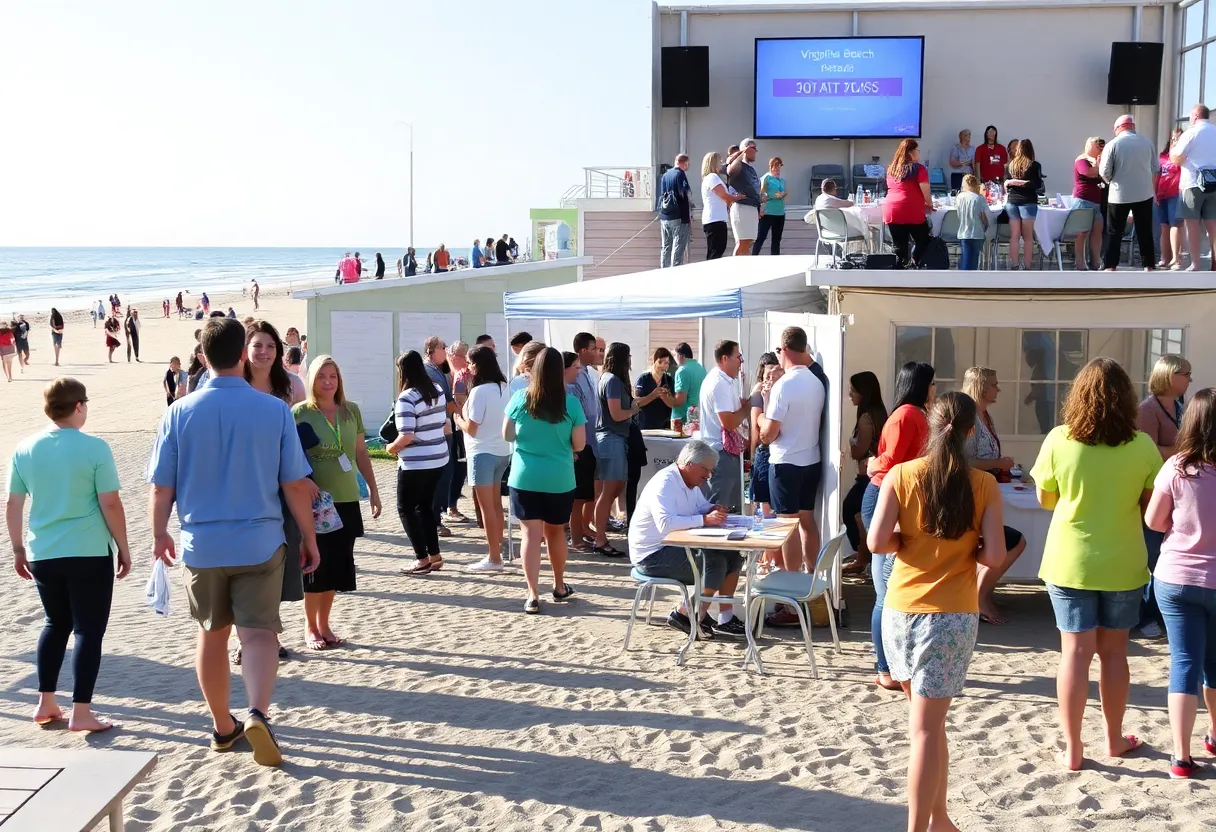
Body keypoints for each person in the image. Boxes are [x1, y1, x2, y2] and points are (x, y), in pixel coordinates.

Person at [148, 318, 319, 767]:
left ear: (203, 357)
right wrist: (308, 536)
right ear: (243, 354)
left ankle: (223, 726)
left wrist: (159, 532)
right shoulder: (273, 410)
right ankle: (258, 712)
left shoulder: (178, 412)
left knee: (211, 634)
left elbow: (161, 487)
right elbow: (295, 484)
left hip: (202, 543)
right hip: (260, 540)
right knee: (260, 633)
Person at [867, 392, 1005, 832]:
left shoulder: (902, 475)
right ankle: (919, 827)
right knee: (926, 730)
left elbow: (875, 541)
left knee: (928, 725)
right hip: (949, 615)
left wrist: (906, 543)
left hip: (901, 608)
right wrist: (971, 547)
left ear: (931, 425)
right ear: (970, 432)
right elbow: (995, 557)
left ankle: (940, 818)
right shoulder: (982, 484)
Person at [1029, 357, 1163, 771]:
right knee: (1114, 655)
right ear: (1127, 399)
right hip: (1122, 561)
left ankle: (1071, 748)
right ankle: (1113, 738)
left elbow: (1045, 499)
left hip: (1070, 560)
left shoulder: (1057, 439)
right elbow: (1150, 510)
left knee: (1074, 654)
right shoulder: (1142, 445)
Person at [7, 378, 131, 732]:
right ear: (78, 406)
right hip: (88, 551)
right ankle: (81, 711)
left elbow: (13, 504)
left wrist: (18, 548)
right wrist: (122, 547)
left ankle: (45, 702)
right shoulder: (95, 448)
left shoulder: (25, 448)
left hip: (43, 552)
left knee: (54, 624)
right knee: (88, 631)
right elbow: (110, 502)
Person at [1144, 387, 1216, 779]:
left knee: (1184, 664)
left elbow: (1154, 522)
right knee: (1215, 665)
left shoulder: (1176, 467)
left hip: (1177, 577)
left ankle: (1181, 756)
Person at [293, 356, 380, 650]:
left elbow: (361, 453)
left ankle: (325, 623)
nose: (328, 382)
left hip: (346, 497)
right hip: (314, 501)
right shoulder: (300, 412)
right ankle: (310, 626)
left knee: (338, 566)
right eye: (321, 377)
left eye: (333, 376)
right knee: (315, 564)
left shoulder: (350, 410)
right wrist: (303, 480)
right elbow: (289, 457)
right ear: (312, 380)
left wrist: (374, 489)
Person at [629, 440, 747, 639]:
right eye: (706, 470)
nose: (708, 476)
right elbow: (665, 524)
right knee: (715, 563)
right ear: (690, 464)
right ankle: (686, 612)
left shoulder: (690, 482)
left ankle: (724, 618)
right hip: (652, 555)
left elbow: (700, 507)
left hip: (673, 547)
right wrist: (704, 519)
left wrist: (711, 509)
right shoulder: (665, 482)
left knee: (733, 556)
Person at [865, 362, 935, 692]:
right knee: (884, 594)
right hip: (884, 494)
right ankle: (884, 667)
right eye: (932, 384)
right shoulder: (909, 414)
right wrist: (871, 465)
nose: (935, 389)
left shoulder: (912, 413)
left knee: (889, 590)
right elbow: (890, 461)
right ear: (922, 385)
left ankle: (890, 665)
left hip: (893, 494)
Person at [503, 347, 584, 613]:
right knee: (556, 533)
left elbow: (507, 435)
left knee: (530, 535)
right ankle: (559, 585)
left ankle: (532, 593)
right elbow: (580, 444)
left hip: (525, 475)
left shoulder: (519, 398)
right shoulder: (570, 402)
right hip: (559, 477)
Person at [960, 367, 1028, 623]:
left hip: (985, 492)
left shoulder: (983, 415)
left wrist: (1000, 466)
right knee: (1008, 541)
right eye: (994, 384)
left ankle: (981, 594)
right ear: (981, 386)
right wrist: (998, 462)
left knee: (1001, 542)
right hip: (971, 495)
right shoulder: (970, 418)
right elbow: (965, 461)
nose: (998, 389)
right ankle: (978, 596)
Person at [1137, 354, 1193, 639]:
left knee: (1165, 552)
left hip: (1176, 488)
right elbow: (1149, 450)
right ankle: (1147, 615)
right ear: (1169, 376)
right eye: (1185, 374)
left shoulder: (1180, 405)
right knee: (1154, 556)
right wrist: (1186, 451)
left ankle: (1159, 614)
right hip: (1154, 488)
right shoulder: (1148, 409)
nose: (1189, 380)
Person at [386, 350, 450, 576]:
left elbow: (406, 436)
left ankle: (421, 559)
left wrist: (390, 448)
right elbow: (444, 423)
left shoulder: (406, 398)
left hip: (416, 463)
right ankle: (435, 555)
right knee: (425, 507)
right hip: (439, 457)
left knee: (405, 508)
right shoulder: (438, 391)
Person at [454, 345, 511, 572]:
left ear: (477, 365)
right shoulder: (504, 387)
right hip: (501, 451)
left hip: (482, 452)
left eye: (469, 363)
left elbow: (472, 428)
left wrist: (457, 419)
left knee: (487, 507)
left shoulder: (480, 391)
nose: (468, 367)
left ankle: (494, 557)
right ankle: (497, 552)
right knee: (496, 505)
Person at [592, 342, 638, 557]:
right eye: (628, 356)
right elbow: (617, 414)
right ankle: (600, 539)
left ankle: (600, 536)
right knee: (608, 492)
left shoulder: (610, 379)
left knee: (612, 490)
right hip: (611, 438)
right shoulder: (611, 380)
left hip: (614, 438)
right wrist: (633, 409)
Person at [1100, 114, 1159, 271]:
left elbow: (1104, 171)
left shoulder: (1113, 144)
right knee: (1144, 230)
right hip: (1144, 193)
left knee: (1114, 231)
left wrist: (1111, 181)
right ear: (1132, 126)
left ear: (1119, 128)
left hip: (1119, 194)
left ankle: (1111, 265)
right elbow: (1155, 169)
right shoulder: (1148, 143)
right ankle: (1149, 265)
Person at [842, 371, 887, 577]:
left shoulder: (866, 418)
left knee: (851, 511)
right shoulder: (877, 413)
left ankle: (863, 557)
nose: (850, 394)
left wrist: (852, 446)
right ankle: (862, 556)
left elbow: (859, 450)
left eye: (853, 390)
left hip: (868, 476)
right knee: (859, 514)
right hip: (874, 475)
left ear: (864, 392)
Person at [698, 339, 750, 513]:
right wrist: (748, 407)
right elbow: (728, 422)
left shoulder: (723, 380)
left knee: (728, 508)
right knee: (719, 509)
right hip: (721, 452)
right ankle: (711, 540)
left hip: (723, 452)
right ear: (725, 359)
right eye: (738, 357)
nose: (741, 362)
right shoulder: (719, 383)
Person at [420, 336, 459, 537]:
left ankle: (436, 516)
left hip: (444, 428)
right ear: (431, 351)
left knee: (446, 474)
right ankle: (434, 520)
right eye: (443, 348)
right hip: (437, 430)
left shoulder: (438, 371)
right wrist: (463, 415)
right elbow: (447, 403)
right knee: (440, 475)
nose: (446, 351)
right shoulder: (429, 372)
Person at [1172, 104, 1216, 271]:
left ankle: (1195, 263)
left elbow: (1177, 158)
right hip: (1214, 183)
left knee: (1192, 224)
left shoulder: (1191, 133)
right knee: (1213, 226)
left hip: (1193, 183)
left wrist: (1172, 150)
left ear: (1196, 116)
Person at [568, 333, 601, 553]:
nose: (598, 352)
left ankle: (581, 532)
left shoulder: (589, 373)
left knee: (586, 493)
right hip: (580, 443)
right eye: (594, 348)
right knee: (578, 497)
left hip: (589, 442)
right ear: (582, 351)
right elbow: (575, 414)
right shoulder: (574, 379)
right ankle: (575, 539)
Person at [884, 139, 933, 268]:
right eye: (918, 151)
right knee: (923, 240)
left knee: (899, 245)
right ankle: (914, 263)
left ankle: (899, 272)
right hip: (911, 209)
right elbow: (925, 191)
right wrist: (930, 204)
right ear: (911, 153)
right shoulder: (919, 169)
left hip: (892, 210)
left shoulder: (891, 169)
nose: (919, 153)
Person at [749, 353, 783, 524]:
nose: (770, 378)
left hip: (773, 453)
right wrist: (753, 455)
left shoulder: (779, 393)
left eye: (774, 374)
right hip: (764, 452)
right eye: (767, 374)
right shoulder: (759, 393)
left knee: (770, 511)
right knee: (765, 510)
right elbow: (757, 428)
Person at [1005, 139, 1044, 270]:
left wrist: (1014, 182)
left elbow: (1007, 183)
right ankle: (1027, 265)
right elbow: (1037, 184)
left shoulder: (1010, 165)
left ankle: (1014, 264)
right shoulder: (1034, 165)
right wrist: (1024, 183)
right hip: (1028, 202)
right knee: (1028, 237)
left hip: (1012, 202)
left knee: (1014, 235)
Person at [1072, 138, 1107, 271]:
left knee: (1097, 232)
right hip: (1083, 200)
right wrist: (1101, 166)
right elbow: (1088, 172)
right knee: (1082, 232)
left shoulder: (1098, 163)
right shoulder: (1082, 160)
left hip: (1096, 202)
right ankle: (1080, 262)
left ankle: (1096, 261)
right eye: (1097, 146)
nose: (1100, 148)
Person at [727, 138, 763, 256]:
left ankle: (745, 269)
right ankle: (735, 269)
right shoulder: (738, 165)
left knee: (749, 242)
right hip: (742, 207)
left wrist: (759, 207)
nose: (756, 151)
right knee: (742, 242)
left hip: (752, 207)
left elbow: (755, 190)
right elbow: (730, 171)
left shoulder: (750, 169)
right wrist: (741, 153)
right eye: (753, 148)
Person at [700, 151, 738, 260]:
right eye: (719, 161)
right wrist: (737, 197)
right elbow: (724, 195)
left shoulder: (711, 178)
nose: (721, 164)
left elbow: (728, 163)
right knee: (716, 251)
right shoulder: (712, 177)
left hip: (715, 218)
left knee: (715, 250)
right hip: (715, 219)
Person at [1158, 128, 1187, 270]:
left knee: (1175, 225)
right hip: (1160, 194)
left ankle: (1176, 259)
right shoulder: (1162, 157)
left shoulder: (1183, 157)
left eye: (1178, 139)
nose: (1175, 142)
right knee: (1164, 226)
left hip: (1175, 194)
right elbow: (1156, 175)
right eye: (1173, 139)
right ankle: (1165, 258)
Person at [659, 153, 692, 268]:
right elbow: (685, 193)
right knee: (678, 245)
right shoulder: (680, 174)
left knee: (666, 246)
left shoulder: (665, 175)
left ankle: (664, 270)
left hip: (665, 215)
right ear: (685, 163)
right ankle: (675, 272)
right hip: (679, 215)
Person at [635, 347, 676, 430]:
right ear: (654, 361)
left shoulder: (669, 380)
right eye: (660, 362)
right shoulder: (643, 379)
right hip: (645, 426)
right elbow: (636, 402)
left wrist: (664, 396)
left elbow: (673, 404)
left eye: (666, 363)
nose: (663, 365)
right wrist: (653, 395)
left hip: (664, 426)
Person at [955, 174, 989, 271]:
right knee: (974, 259)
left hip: (963, 232)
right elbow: (983, 217)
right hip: (977, 232)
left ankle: (964, 280)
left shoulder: (959, 197)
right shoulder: (979, 198)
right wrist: (986, 225)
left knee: (965, 258)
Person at [753, 157, 787, 255]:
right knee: (761, 237)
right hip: (768, 212)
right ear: (771, 167)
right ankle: (753, 257)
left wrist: (783, 194)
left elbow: (784, 192)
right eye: (775, 167)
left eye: (779, 167)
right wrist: (772, 196)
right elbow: (761, 194)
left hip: (780, 213)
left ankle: (775, 260)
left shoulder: (782, 180)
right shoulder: (766, 178)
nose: (777, 169)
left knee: (776, 240)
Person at [671, 342, 706, 430]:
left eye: (675, 355)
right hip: (698, 416)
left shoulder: (682, 371)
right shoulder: (701, 368)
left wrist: (664, 397)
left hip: (683, 419)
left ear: (681, 355)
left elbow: (680, 401)